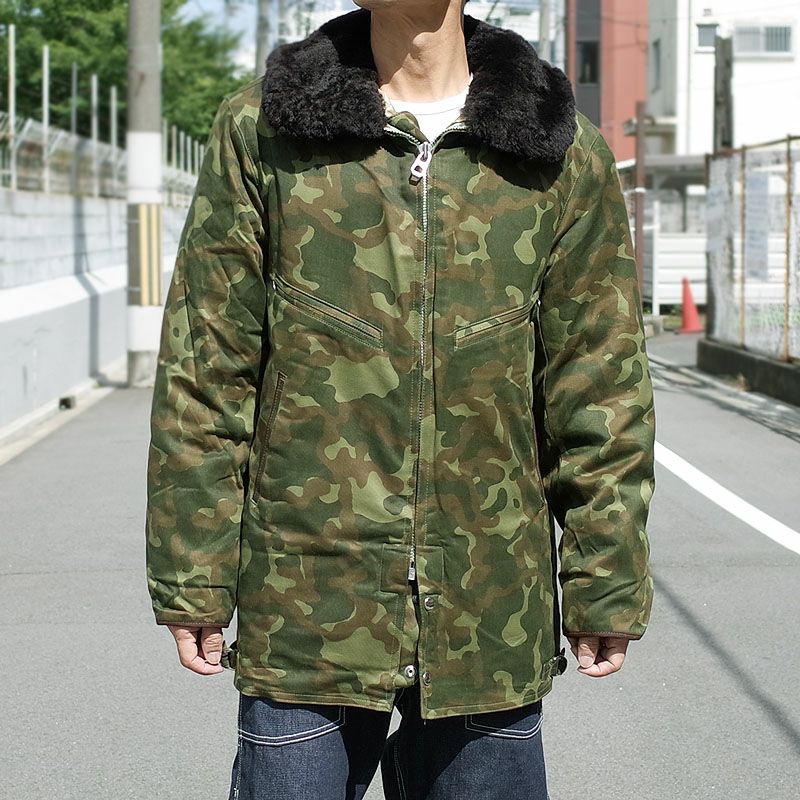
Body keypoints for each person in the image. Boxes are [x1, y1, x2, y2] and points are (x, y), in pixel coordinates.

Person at [144, 1, 656, 798]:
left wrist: (605, 577)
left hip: (491, 606)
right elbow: (207, 365)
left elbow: (600, 383)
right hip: (307, 601)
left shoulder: (555, 147)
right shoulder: (267, 129)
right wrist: (192, 572)